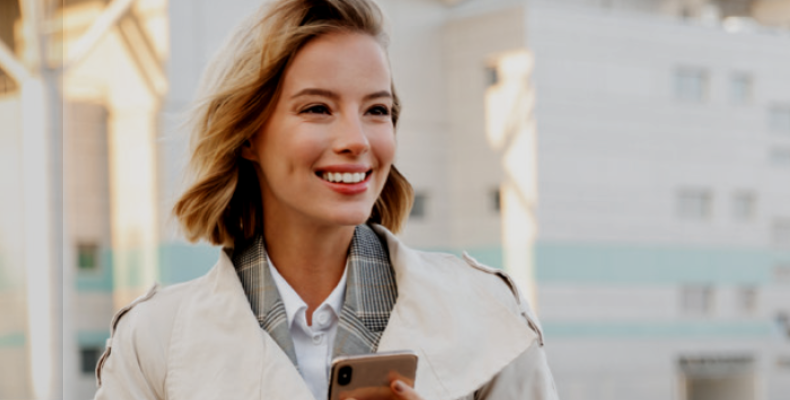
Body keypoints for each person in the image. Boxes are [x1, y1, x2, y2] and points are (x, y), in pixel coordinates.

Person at [92, 0, 558, 399]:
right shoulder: (152, 342)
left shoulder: (490, 316)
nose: (357, 140)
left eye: (377, 110)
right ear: (248, 135)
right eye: (317, 108)